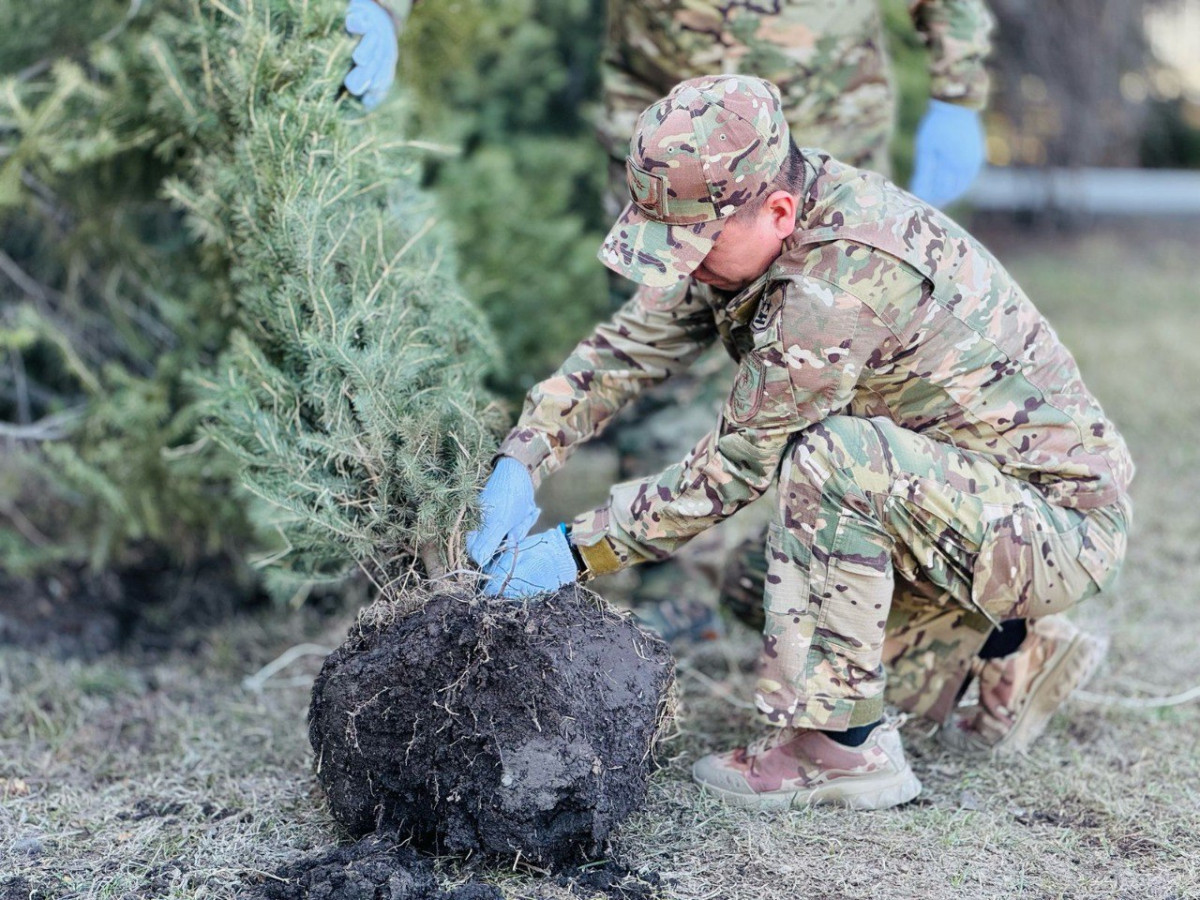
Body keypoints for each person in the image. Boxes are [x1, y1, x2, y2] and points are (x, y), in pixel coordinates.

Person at [469, 75, 1133, 809]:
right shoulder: (741, 213)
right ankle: (1001, 655)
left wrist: (575, 548)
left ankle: (840, 751)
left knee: (832, 462)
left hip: (1055, 527)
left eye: (690, 244)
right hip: (967, 505)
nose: (680, 265)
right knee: (758, 582)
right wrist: (523, 456)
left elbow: (732, 467)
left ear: (779, 212)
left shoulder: (835, 284)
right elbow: (629, 347)